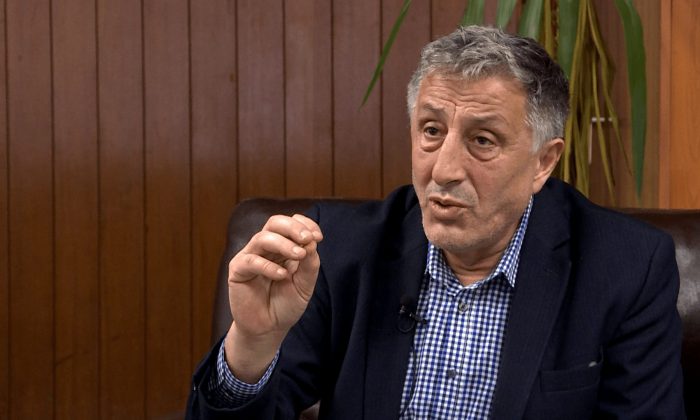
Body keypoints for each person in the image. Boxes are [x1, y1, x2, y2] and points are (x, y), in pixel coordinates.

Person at [186, 26, 685, 419]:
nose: (443, 170)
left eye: (482, 140)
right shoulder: (335, 251)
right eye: (431, 131)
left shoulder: (626, 268)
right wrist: (252, 345)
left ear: (543, 162)